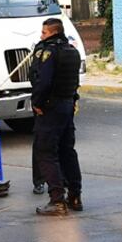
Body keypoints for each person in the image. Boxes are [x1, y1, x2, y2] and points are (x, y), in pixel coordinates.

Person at [28, 18, 83, 216]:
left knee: (46, 152)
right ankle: (75, 196)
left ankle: (57, 200)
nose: (41, 36)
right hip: (68, 104)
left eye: (43, 33)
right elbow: (75, 81)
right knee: (67, 151)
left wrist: (37, 104)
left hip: (51, 107)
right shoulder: (72, 51)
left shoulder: (48, 52)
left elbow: (43, 82)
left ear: (51, 32)